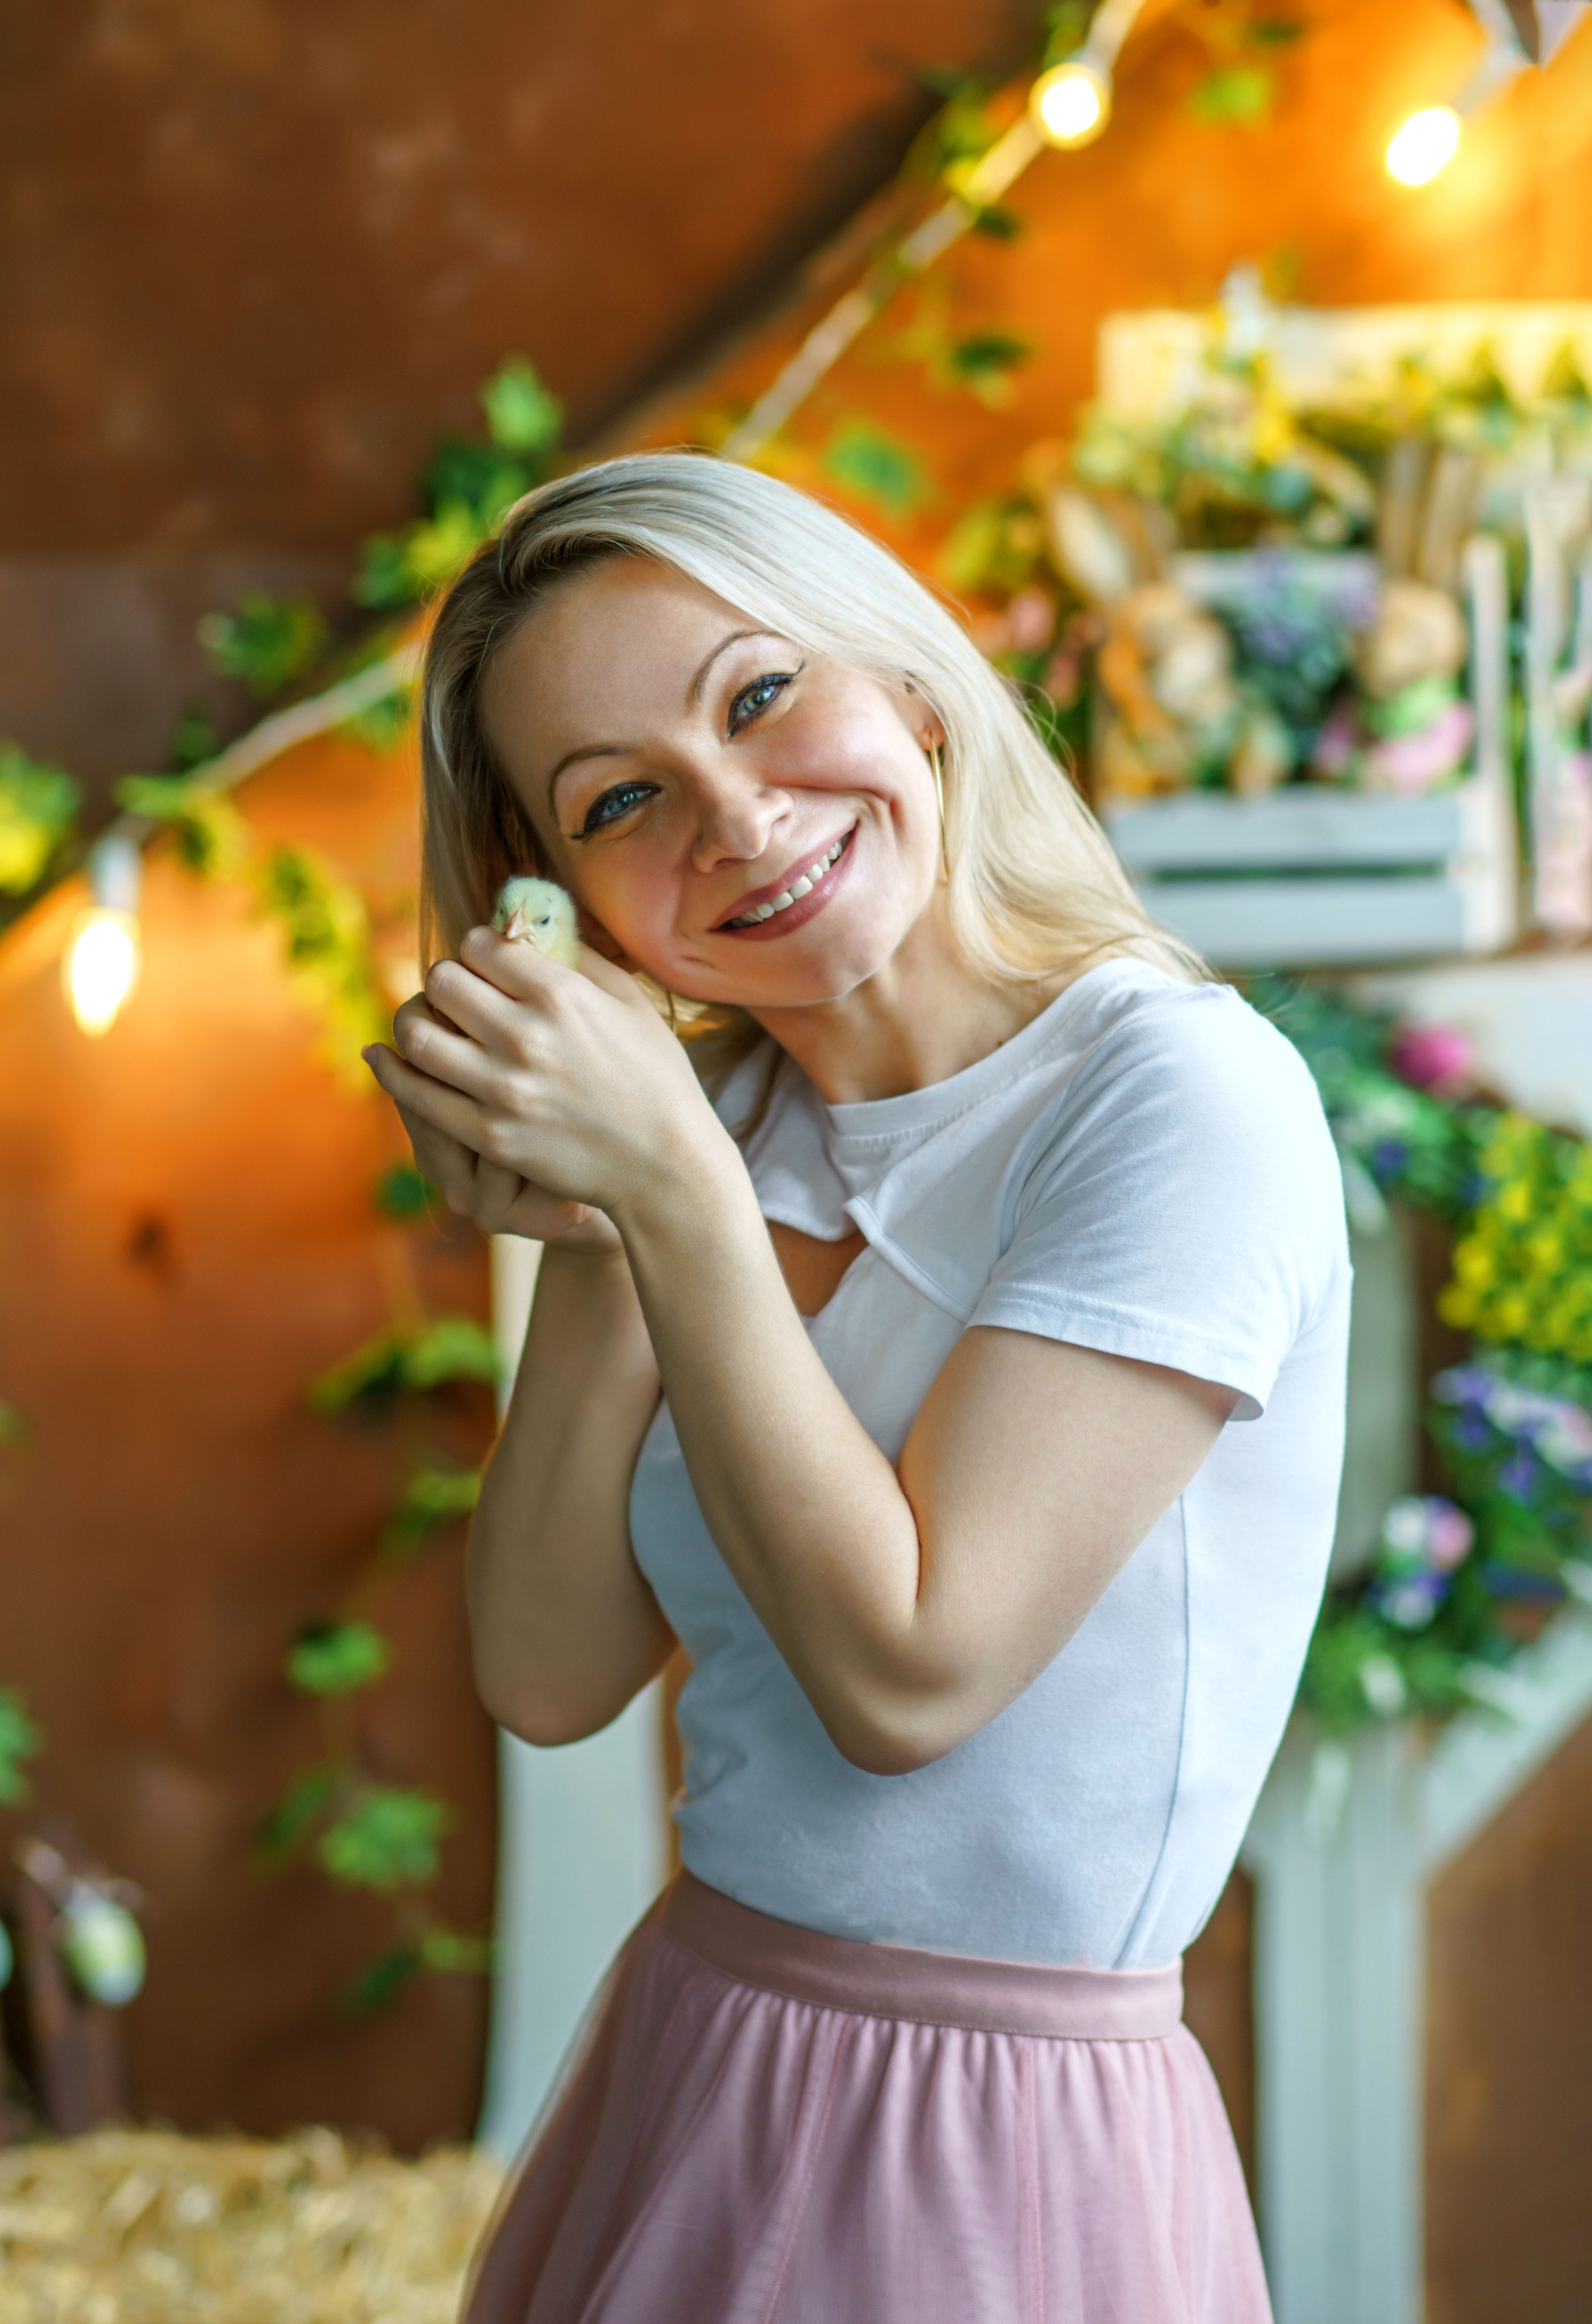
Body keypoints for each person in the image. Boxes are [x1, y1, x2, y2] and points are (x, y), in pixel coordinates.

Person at [363, 452, 1349, 2324]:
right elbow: (548, 1675)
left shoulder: (1180, 1097)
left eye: (758, 694)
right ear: (563, 900)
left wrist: (669, 1190)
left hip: (1001, 2130)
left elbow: (915, 1672)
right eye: (623, 800)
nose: (732, 813)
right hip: (701, 2058)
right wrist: (599, 1233)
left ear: (905, 679)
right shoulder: (715, 1121)